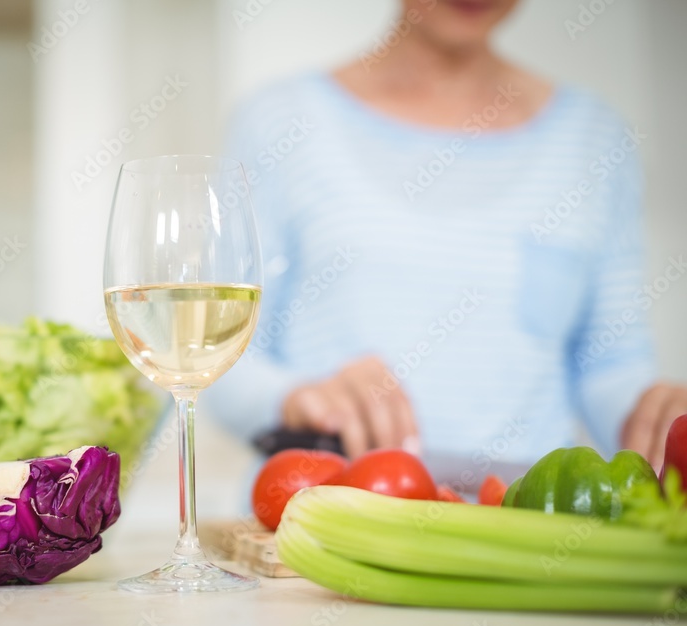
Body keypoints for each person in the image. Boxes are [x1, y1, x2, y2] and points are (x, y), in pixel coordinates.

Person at [208, 0, 687, 469]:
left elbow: (611, 363)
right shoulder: (280, 122)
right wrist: (294, 399)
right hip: (325, 514)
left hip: (529, 528)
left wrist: (659, 418)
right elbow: (219, 357)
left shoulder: (595, 139)